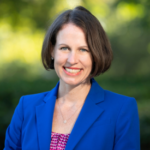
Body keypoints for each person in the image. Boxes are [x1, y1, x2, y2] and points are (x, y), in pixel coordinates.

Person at [4, 6, 140, 150]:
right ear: (52, 50)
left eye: (83, 50)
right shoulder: (26, 107)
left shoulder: (121, 109)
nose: (72, 59)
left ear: (96, 54)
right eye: (64, 48)